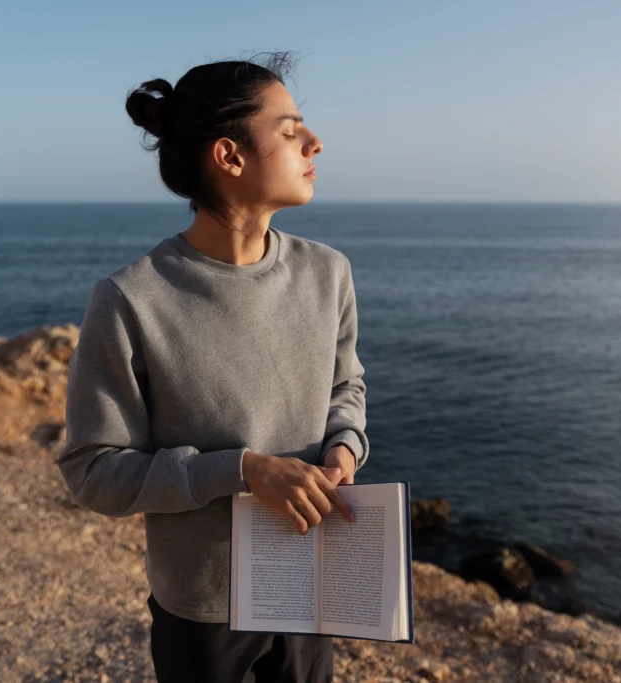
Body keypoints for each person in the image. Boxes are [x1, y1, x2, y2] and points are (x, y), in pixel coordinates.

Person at [58, 51, 369, 683]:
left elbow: (344, 385)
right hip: (203, 609)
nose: (314, 142)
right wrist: (243, 472)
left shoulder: (327, 272)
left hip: (309, 580)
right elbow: (93, 473)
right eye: (290, 131)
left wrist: (345, 446)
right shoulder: (132, 299)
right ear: (228, 156)